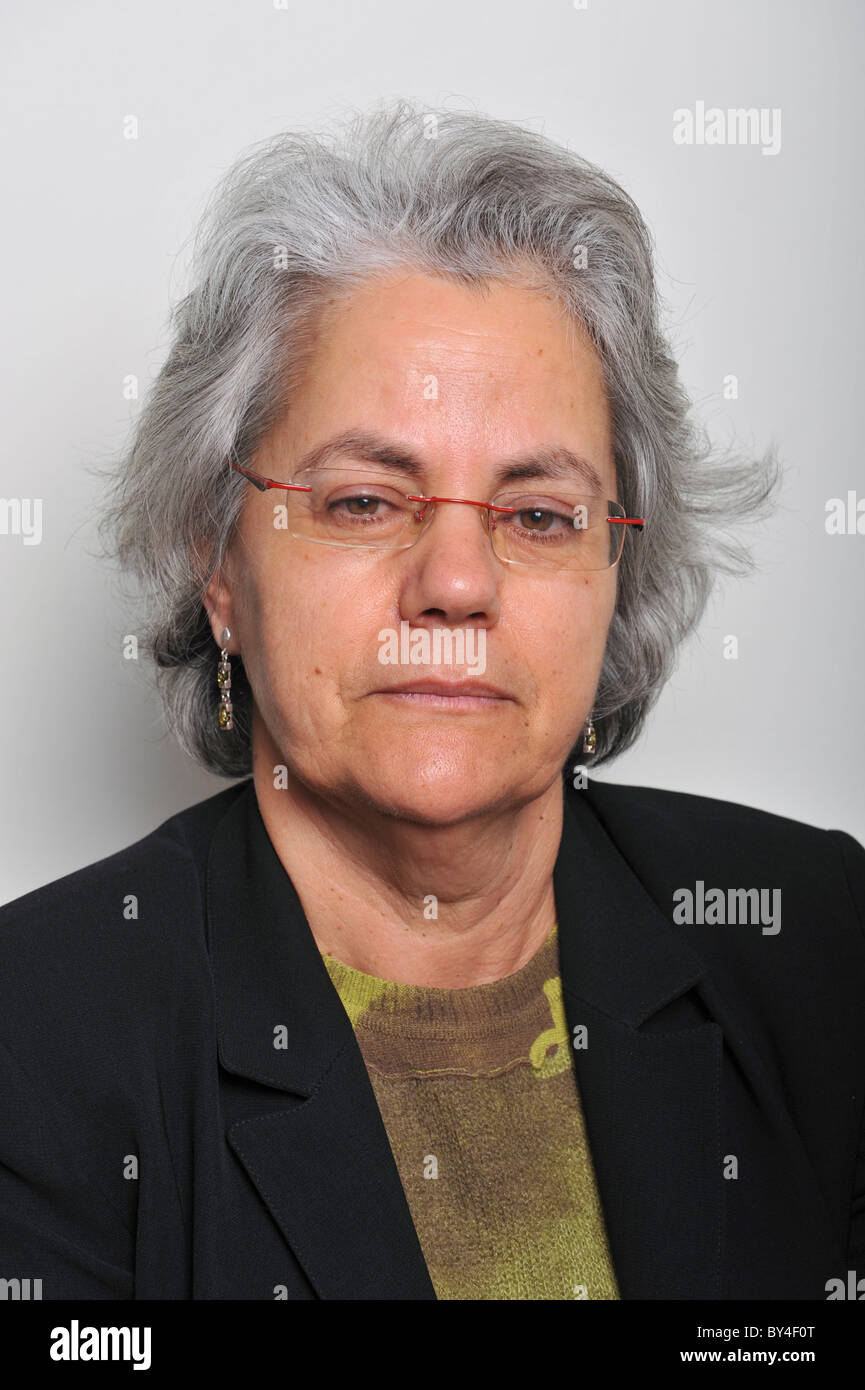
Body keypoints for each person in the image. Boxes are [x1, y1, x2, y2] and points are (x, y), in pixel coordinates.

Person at [1, 100, 862, 1302]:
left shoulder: (823, 937)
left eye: (540, 513)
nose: (456, 583)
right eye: (362, 500)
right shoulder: (31, 1035)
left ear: (619, 567)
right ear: (219, 562)